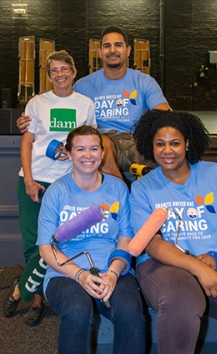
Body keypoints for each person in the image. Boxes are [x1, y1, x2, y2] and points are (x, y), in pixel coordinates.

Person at [129, 109, 217, 354]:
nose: (167, 150)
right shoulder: (143, 189)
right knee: (181, 301)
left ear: (187, 143)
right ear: (150, 147)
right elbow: (152, 244)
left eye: (175, 143)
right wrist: (199, 268)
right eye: (159, 144)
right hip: (163, 264)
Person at [3, 50, 96, 326]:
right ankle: (36, 299)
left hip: (66, 183)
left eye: (64, 69)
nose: (60, 74)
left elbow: (90, 143)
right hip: (34, 178)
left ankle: (21, 289)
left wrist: (76, 152)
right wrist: (29, 179)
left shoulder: (85, 104)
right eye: (54, 71)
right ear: (48, 75)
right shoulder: (37, 103)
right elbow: (26, 143)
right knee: (33, 242)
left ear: (74, 71)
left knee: (54, 240)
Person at [36, 125, 146, 354]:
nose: (88, 155)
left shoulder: (117, 188)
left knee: (130, 311)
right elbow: (46, 248)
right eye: (80, 149)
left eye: (94, 149)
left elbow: (125, 238)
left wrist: (114, 273)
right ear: (69, 153)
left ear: (103, 153)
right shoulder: (56, 192)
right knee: (78, 310)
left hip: (112, 268)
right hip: (64, 272)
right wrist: (80, 274)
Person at [16, 25, 172, 174]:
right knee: (99, 143)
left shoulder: (144, 81)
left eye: (118, 45)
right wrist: (31, 119)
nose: (112, 50)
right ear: (100, 52)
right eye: (107, 46)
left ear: (128, 50)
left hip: (137, 140)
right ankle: (121, 193)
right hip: (103, 142)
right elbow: (59, 104)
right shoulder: (83, 86)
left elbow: (164, 114)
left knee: (173, 148)